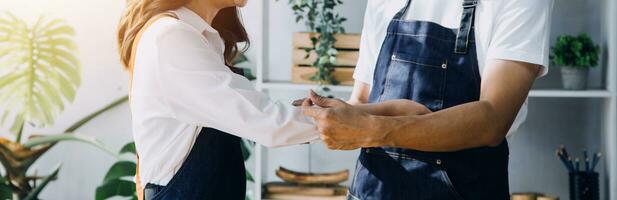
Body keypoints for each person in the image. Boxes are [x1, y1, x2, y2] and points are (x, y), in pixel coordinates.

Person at [117, 0, 420, 199]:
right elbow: (269, 124)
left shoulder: (191, 36)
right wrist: (385, 114)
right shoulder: (171, 37)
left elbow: (257, 115)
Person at [302, 0, 554, 199]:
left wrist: (372, 129)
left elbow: (493, 120)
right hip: (370, 192)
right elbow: (362, 100)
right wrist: (315, 119)